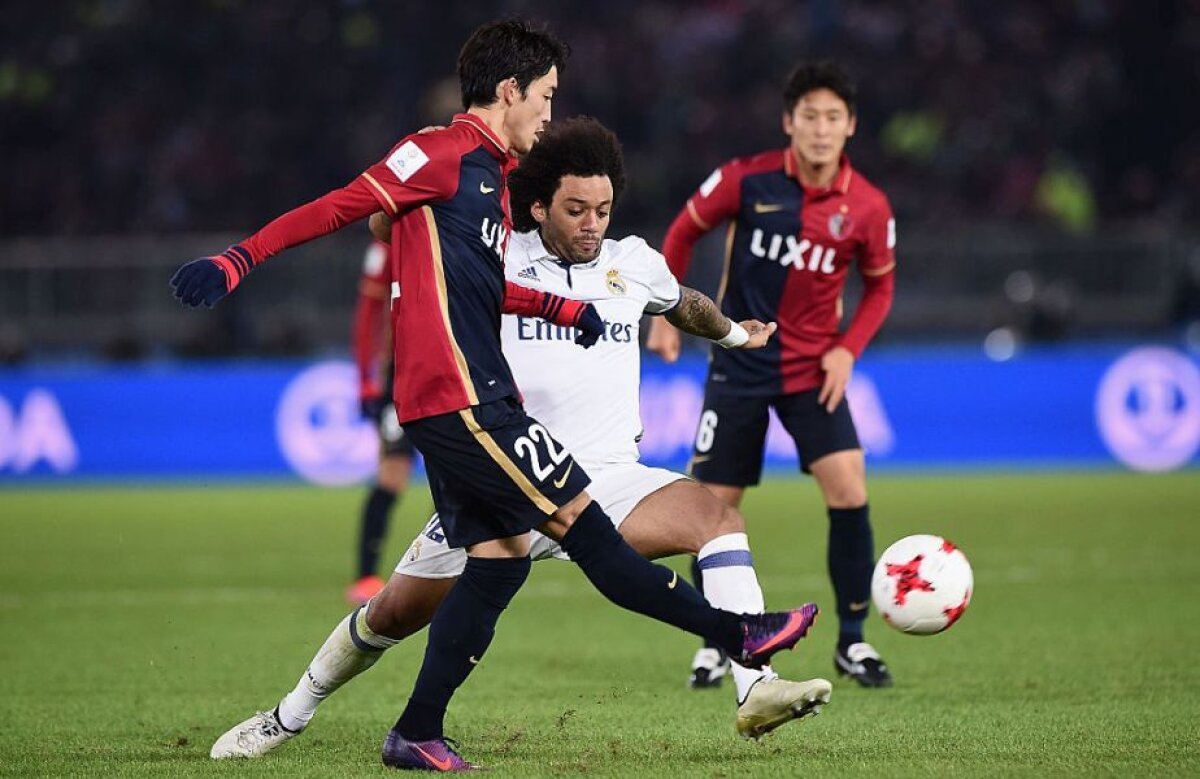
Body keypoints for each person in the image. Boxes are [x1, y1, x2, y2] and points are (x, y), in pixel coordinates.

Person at [171, 21, 819, 771]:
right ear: (510, 91)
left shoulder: (505, 193)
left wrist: (568, 311)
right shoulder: (441, 157)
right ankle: (739, 635)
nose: (548, 113)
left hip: (534, 435)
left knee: (506, 565)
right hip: (471, 413)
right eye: (545, 96)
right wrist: (238, 259)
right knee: (495, 571)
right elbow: (348, 207)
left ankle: (379, 725)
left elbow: (488, 287)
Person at [647, 61, 898, 689]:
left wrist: (847, 351)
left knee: (849, 487)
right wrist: (669, 313)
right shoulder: (745, 178)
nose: (821, 128)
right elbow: (682, 232)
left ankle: (852, 640)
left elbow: (880, 289)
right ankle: (716, 641)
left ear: (850, 126)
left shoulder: (868, 206)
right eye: (809, 116)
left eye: (833, 117)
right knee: (712, 508)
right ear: (789, 122)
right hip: (738, 361)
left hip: (813, 370)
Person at [347, 240, 418, 605]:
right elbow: (369, 313)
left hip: (450, 370)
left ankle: (450, 567)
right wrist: (366, 380)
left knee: (455, 477)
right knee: (392, 475)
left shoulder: (459, 229)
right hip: (399, 378)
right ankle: (366, 575)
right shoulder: (389, 244)